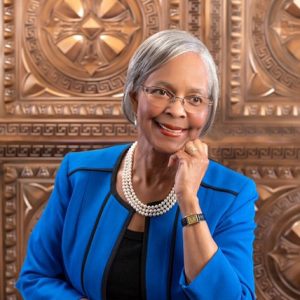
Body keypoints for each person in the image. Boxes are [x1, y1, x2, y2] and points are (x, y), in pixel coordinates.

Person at [16, 30, 258, 300]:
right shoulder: (79, 173)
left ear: (206, 111)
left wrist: (189, 201)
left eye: (195, 99)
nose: (177, 110)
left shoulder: (234, 195)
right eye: (161, 92)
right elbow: (38, 278)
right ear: (134, 96)